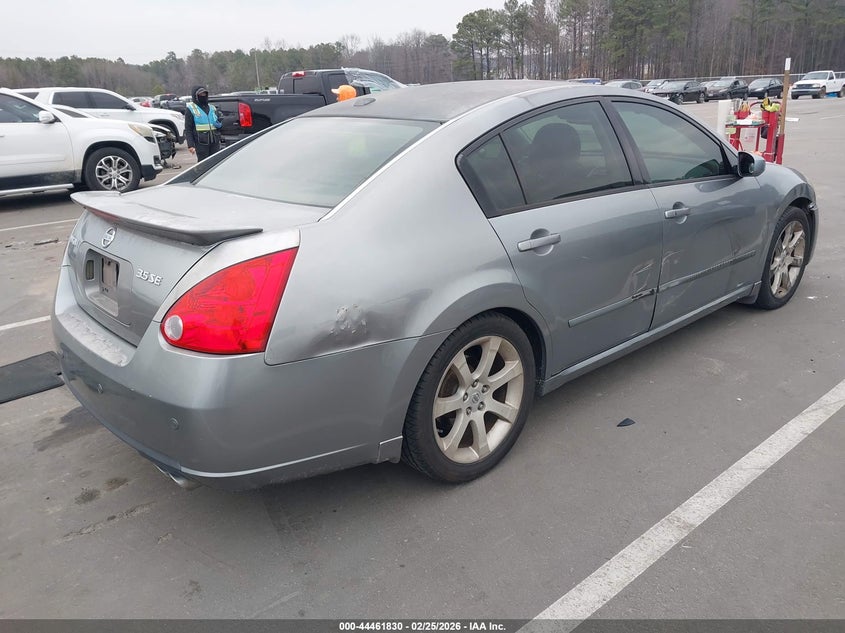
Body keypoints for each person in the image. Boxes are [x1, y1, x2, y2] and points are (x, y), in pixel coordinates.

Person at [185, 85, 223, 161]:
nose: (203, 96)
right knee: (204, 165)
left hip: (215, 142)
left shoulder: (212, 108)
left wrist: (220, 123)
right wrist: (190, 145)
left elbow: (218, 123)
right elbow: (188, 129)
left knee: (216, 163)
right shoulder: (191, 109)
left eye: (204, 94)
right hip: (201, 143)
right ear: (195, 96)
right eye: (201, 94)